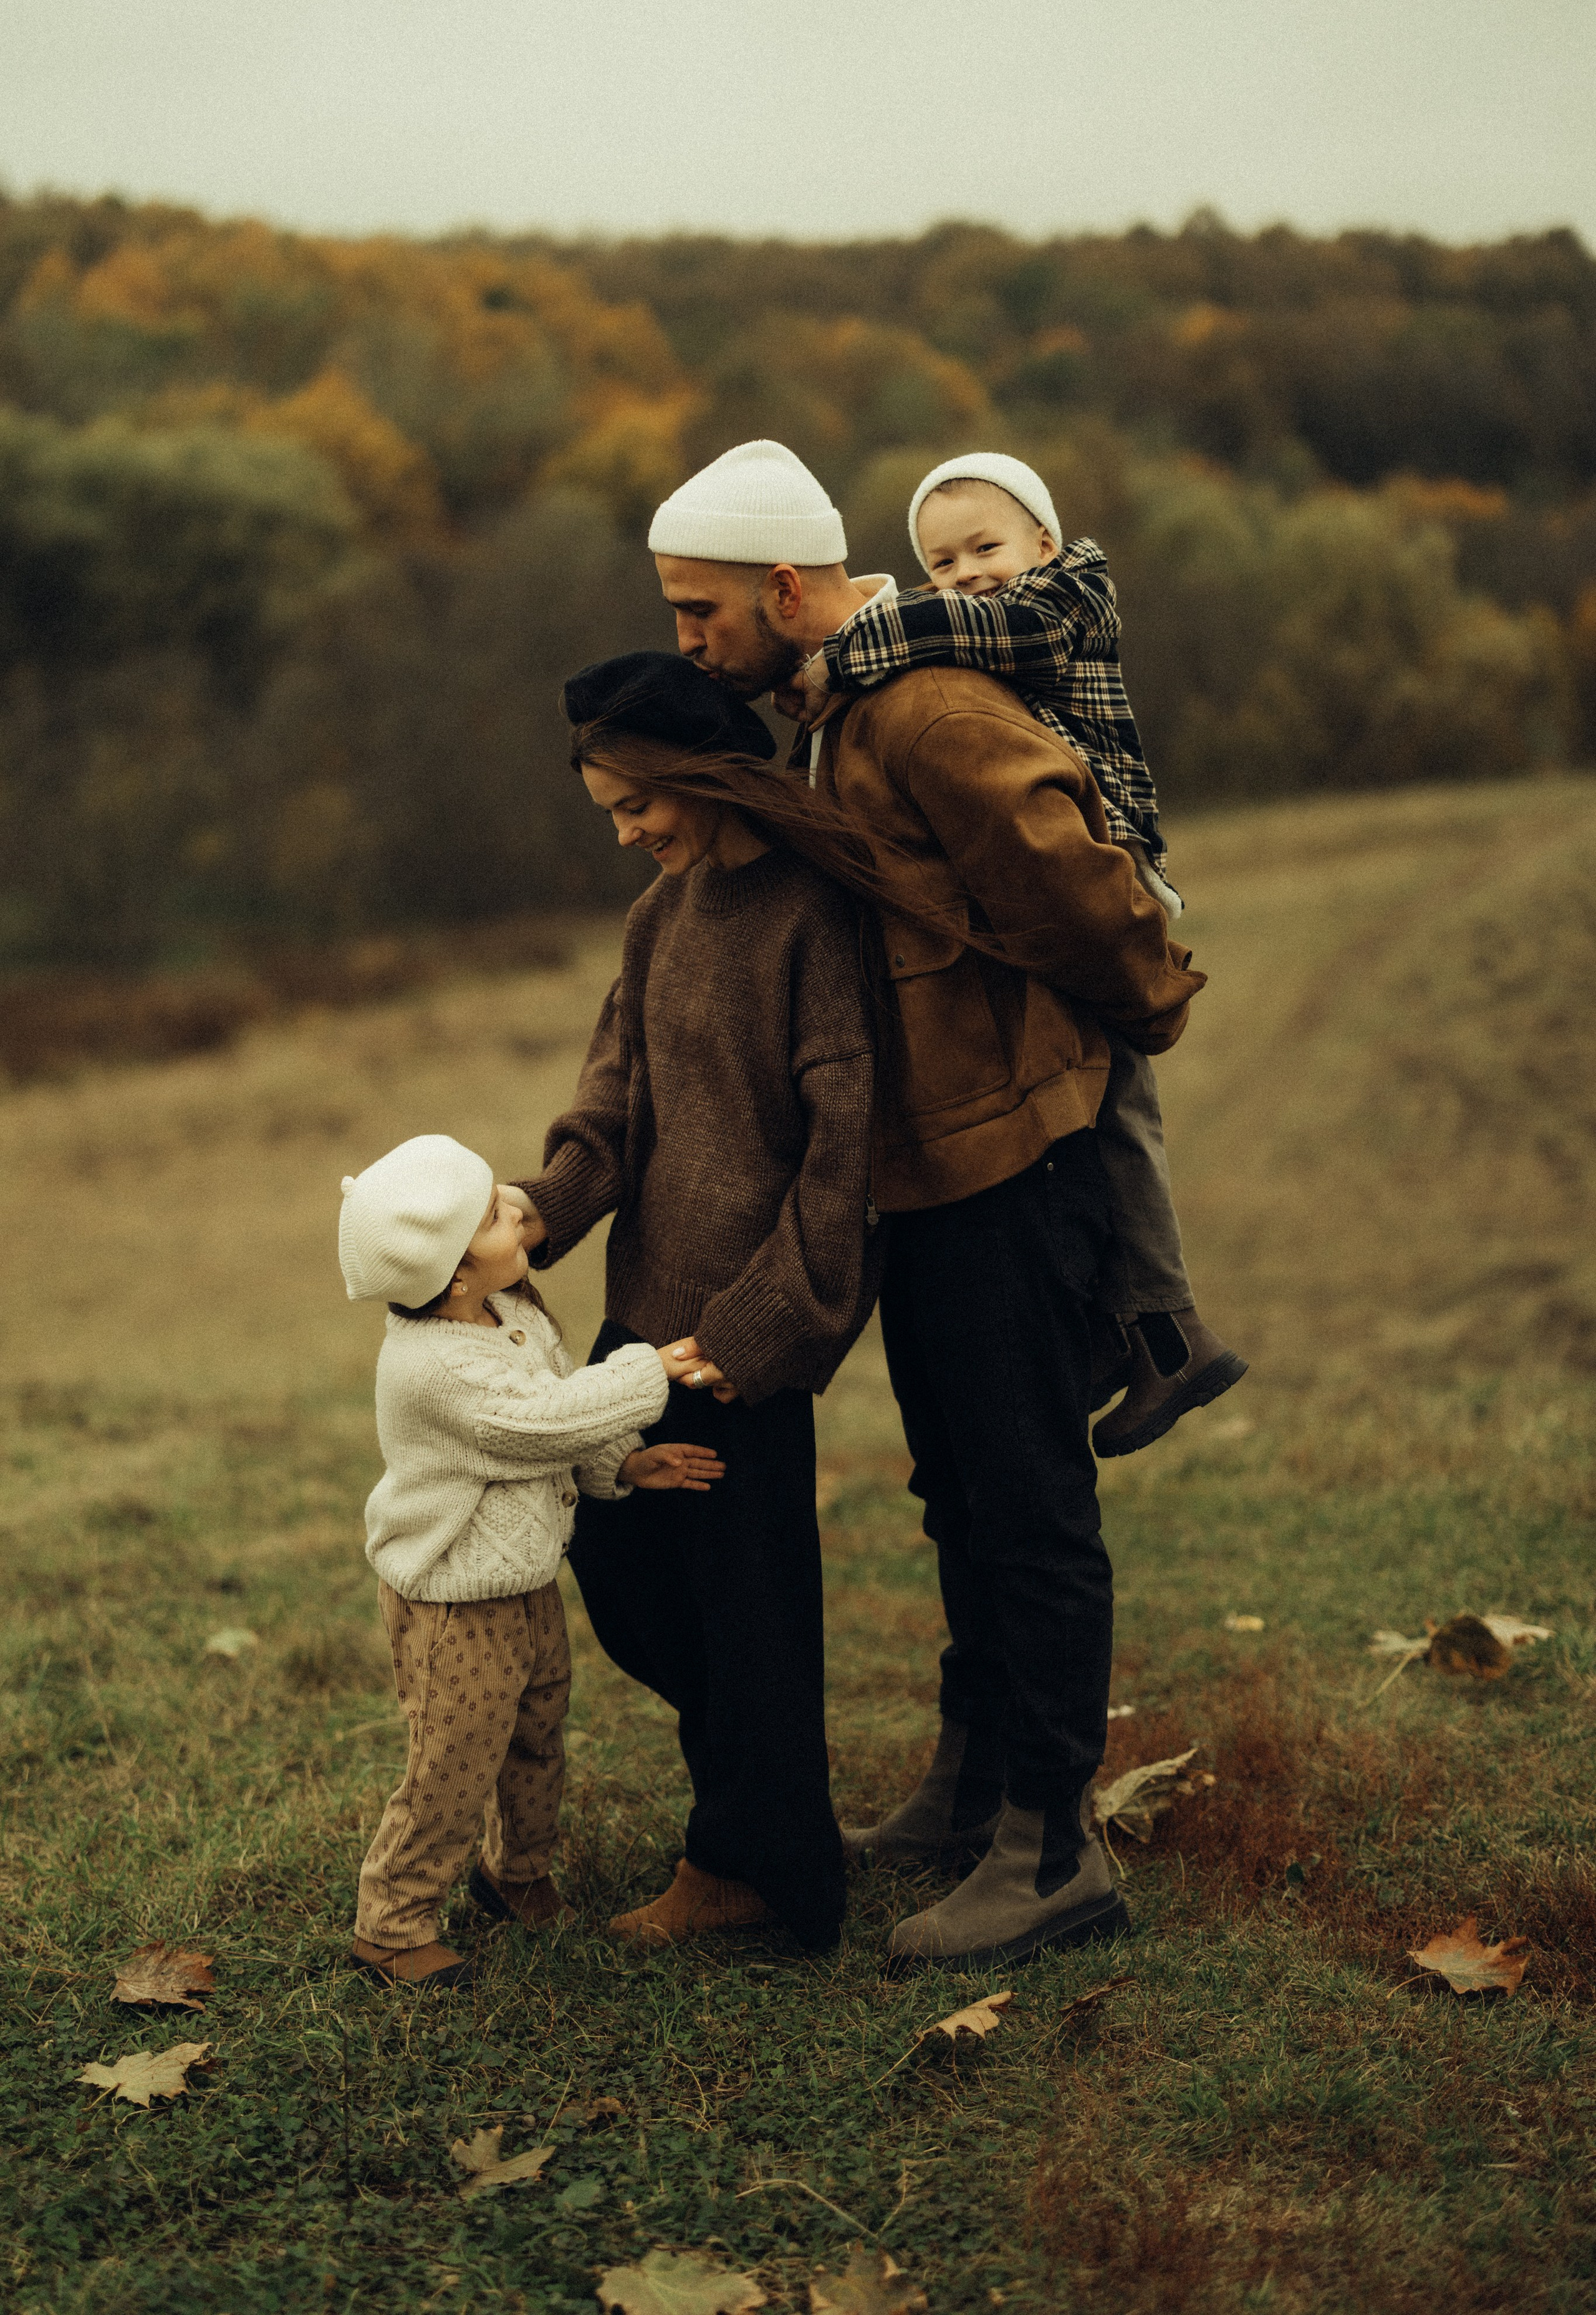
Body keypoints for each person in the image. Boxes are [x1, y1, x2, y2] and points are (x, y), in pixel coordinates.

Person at [645, 441, 1203, 1966]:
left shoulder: (921, 706)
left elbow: (1083, 889)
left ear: (780, 589)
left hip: (1008, 1165)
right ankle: (971, 1791)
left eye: (700, 612)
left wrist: (1137, 1012)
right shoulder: (834, 707)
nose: (690, 641)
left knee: (1025, 1499)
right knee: (958, 1488)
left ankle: (1053, 1845)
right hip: (928, 1173)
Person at [510, 652, 882, 1955]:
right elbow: (612, 1100)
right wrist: (536, 1211)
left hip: (737, 1341)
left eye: (634, 804)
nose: (625, 833)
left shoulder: (812, 916)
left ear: (694, 776)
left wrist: (758, 1333)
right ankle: (759, 1804)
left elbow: (845, 1156)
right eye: (608, 810)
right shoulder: (659, 917)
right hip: (639, 1324)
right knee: (617, 1564)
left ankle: (756, 1868)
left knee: (748, 1611)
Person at [793, 450, 1246, 1458]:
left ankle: (1170, 1329)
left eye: (983, 547)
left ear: (1042, 540)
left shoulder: (1068, 598)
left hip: (1112, 853)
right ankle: (1119, 1329)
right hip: (1085, 844)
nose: (964, 575)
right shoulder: (973, 626)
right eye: (941, 561)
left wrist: (845, 654)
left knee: (1119, 1101)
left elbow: (979, 628)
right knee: (1101, 1096)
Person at [339, 1132, 719, 1988]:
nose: (517, 1206)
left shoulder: (510, 1314)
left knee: (537, 1727)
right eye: (492, 1216)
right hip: (453, 1602)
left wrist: (620, 1461)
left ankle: (517, 1871)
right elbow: (540, 1420)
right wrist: (646, 1371)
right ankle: (391, 1922)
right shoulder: (433, 1367)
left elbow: (557, 1425)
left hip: (524, 1581)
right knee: (454, 1758)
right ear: (454, 1275)